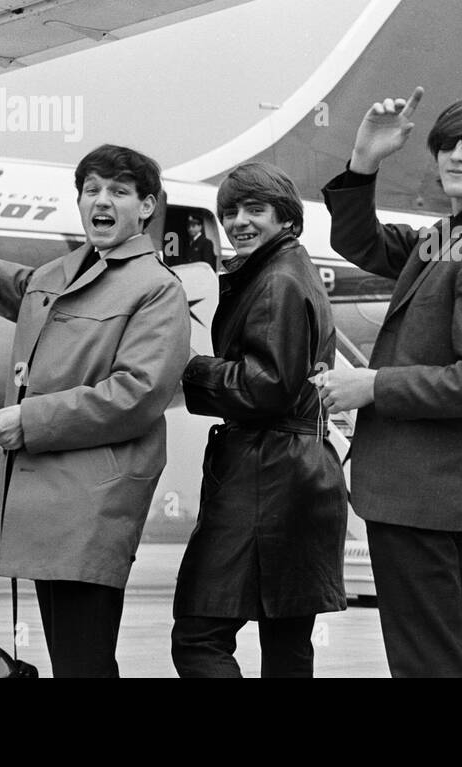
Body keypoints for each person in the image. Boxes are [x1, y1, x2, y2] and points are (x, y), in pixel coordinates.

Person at [0, 146, 191, 678]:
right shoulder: (56, 275)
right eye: (91, 190)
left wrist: (30, 419)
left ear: (147, 207)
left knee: (83, 662)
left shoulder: (157, 289)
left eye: (118, 191)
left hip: (92, 504)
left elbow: (138, 394)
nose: (101, 201)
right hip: (49, 503)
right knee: (76, 662)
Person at [315, 87, 462, 678]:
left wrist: (373, 386)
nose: (457, 154)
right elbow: (361, 243)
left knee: (427, 664)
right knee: (446, 657)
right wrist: (365, 162)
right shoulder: (457, 233)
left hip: (426, 494)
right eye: (447, 143)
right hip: (426, 493)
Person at [171, 162, 347, 677]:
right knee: (288, 644)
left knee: (199, 636)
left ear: (286, 217)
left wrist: (192, 369)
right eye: (230, 211)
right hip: (301, 471)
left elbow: (264, 387)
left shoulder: (276, 280)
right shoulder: (289, 270)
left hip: (265, 473)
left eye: (255, 209)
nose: (239, 221)